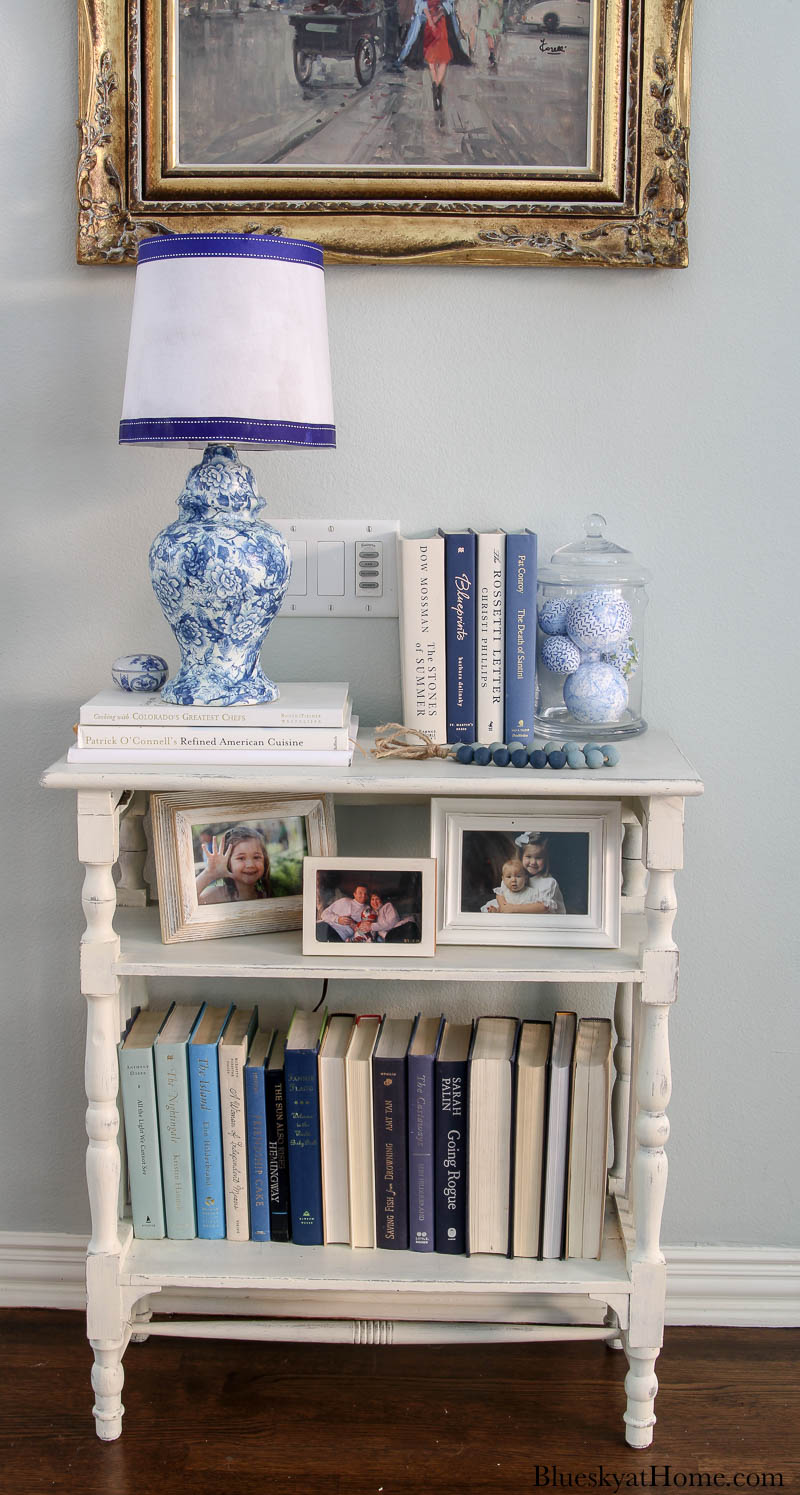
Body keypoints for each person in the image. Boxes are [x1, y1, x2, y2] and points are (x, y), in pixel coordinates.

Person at [396, 0, 471, 113]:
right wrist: (432, 19)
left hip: (439, 22)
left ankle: (436, 87)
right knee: (434, 58)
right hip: (432, 22)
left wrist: (436, 17)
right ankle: (437, 88)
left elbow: (448, 5)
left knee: (440, 58)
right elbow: (422, 5)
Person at [489, 832, 566, 914]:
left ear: (546, 860)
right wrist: (503, 906)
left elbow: (543, 907)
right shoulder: (513, 875)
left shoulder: (548, 883)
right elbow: (501, 893)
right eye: (528, 857)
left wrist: (513, 908)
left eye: (538, 858)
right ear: (521, 856)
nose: (533, 862)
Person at [195, 826, 272, 904]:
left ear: (264, 860)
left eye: (256, 857)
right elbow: (187, 900)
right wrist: (209, 874)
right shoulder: (215, 895)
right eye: (241, 858)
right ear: (228, 863)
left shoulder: (268, 895)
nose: (250, 865)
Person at [477, 0, 503, 70]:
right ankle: (492, 55)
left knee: (494, 35)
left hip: (494, 12)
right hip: (489, 12)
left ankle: (493, 55)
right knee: (489, 35)